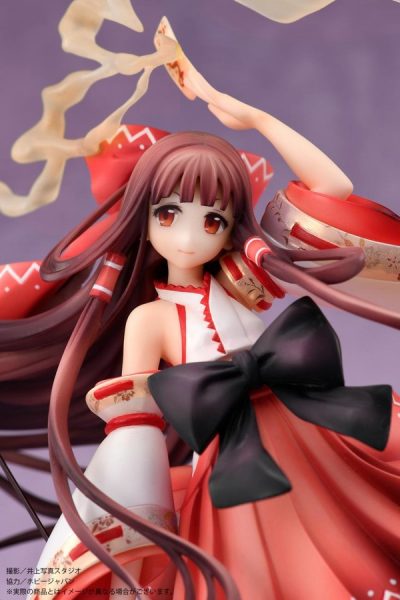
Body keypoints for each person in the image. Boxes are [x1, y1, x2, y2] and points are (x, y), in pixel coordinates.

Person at [2, 71, 400, 600]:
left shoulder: (243, 278)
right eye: (169, 214)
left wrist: (253, 117)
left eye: (212, 221)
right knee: (265, 574)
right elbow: (136, 429)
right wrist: (131, 525)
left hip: (312, 430)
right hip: (235, 460)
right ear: (143, 219)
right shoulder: (149, 320)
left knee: (362, 536)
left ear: (231, 225)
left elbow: (333, 190)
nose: (189, 237)